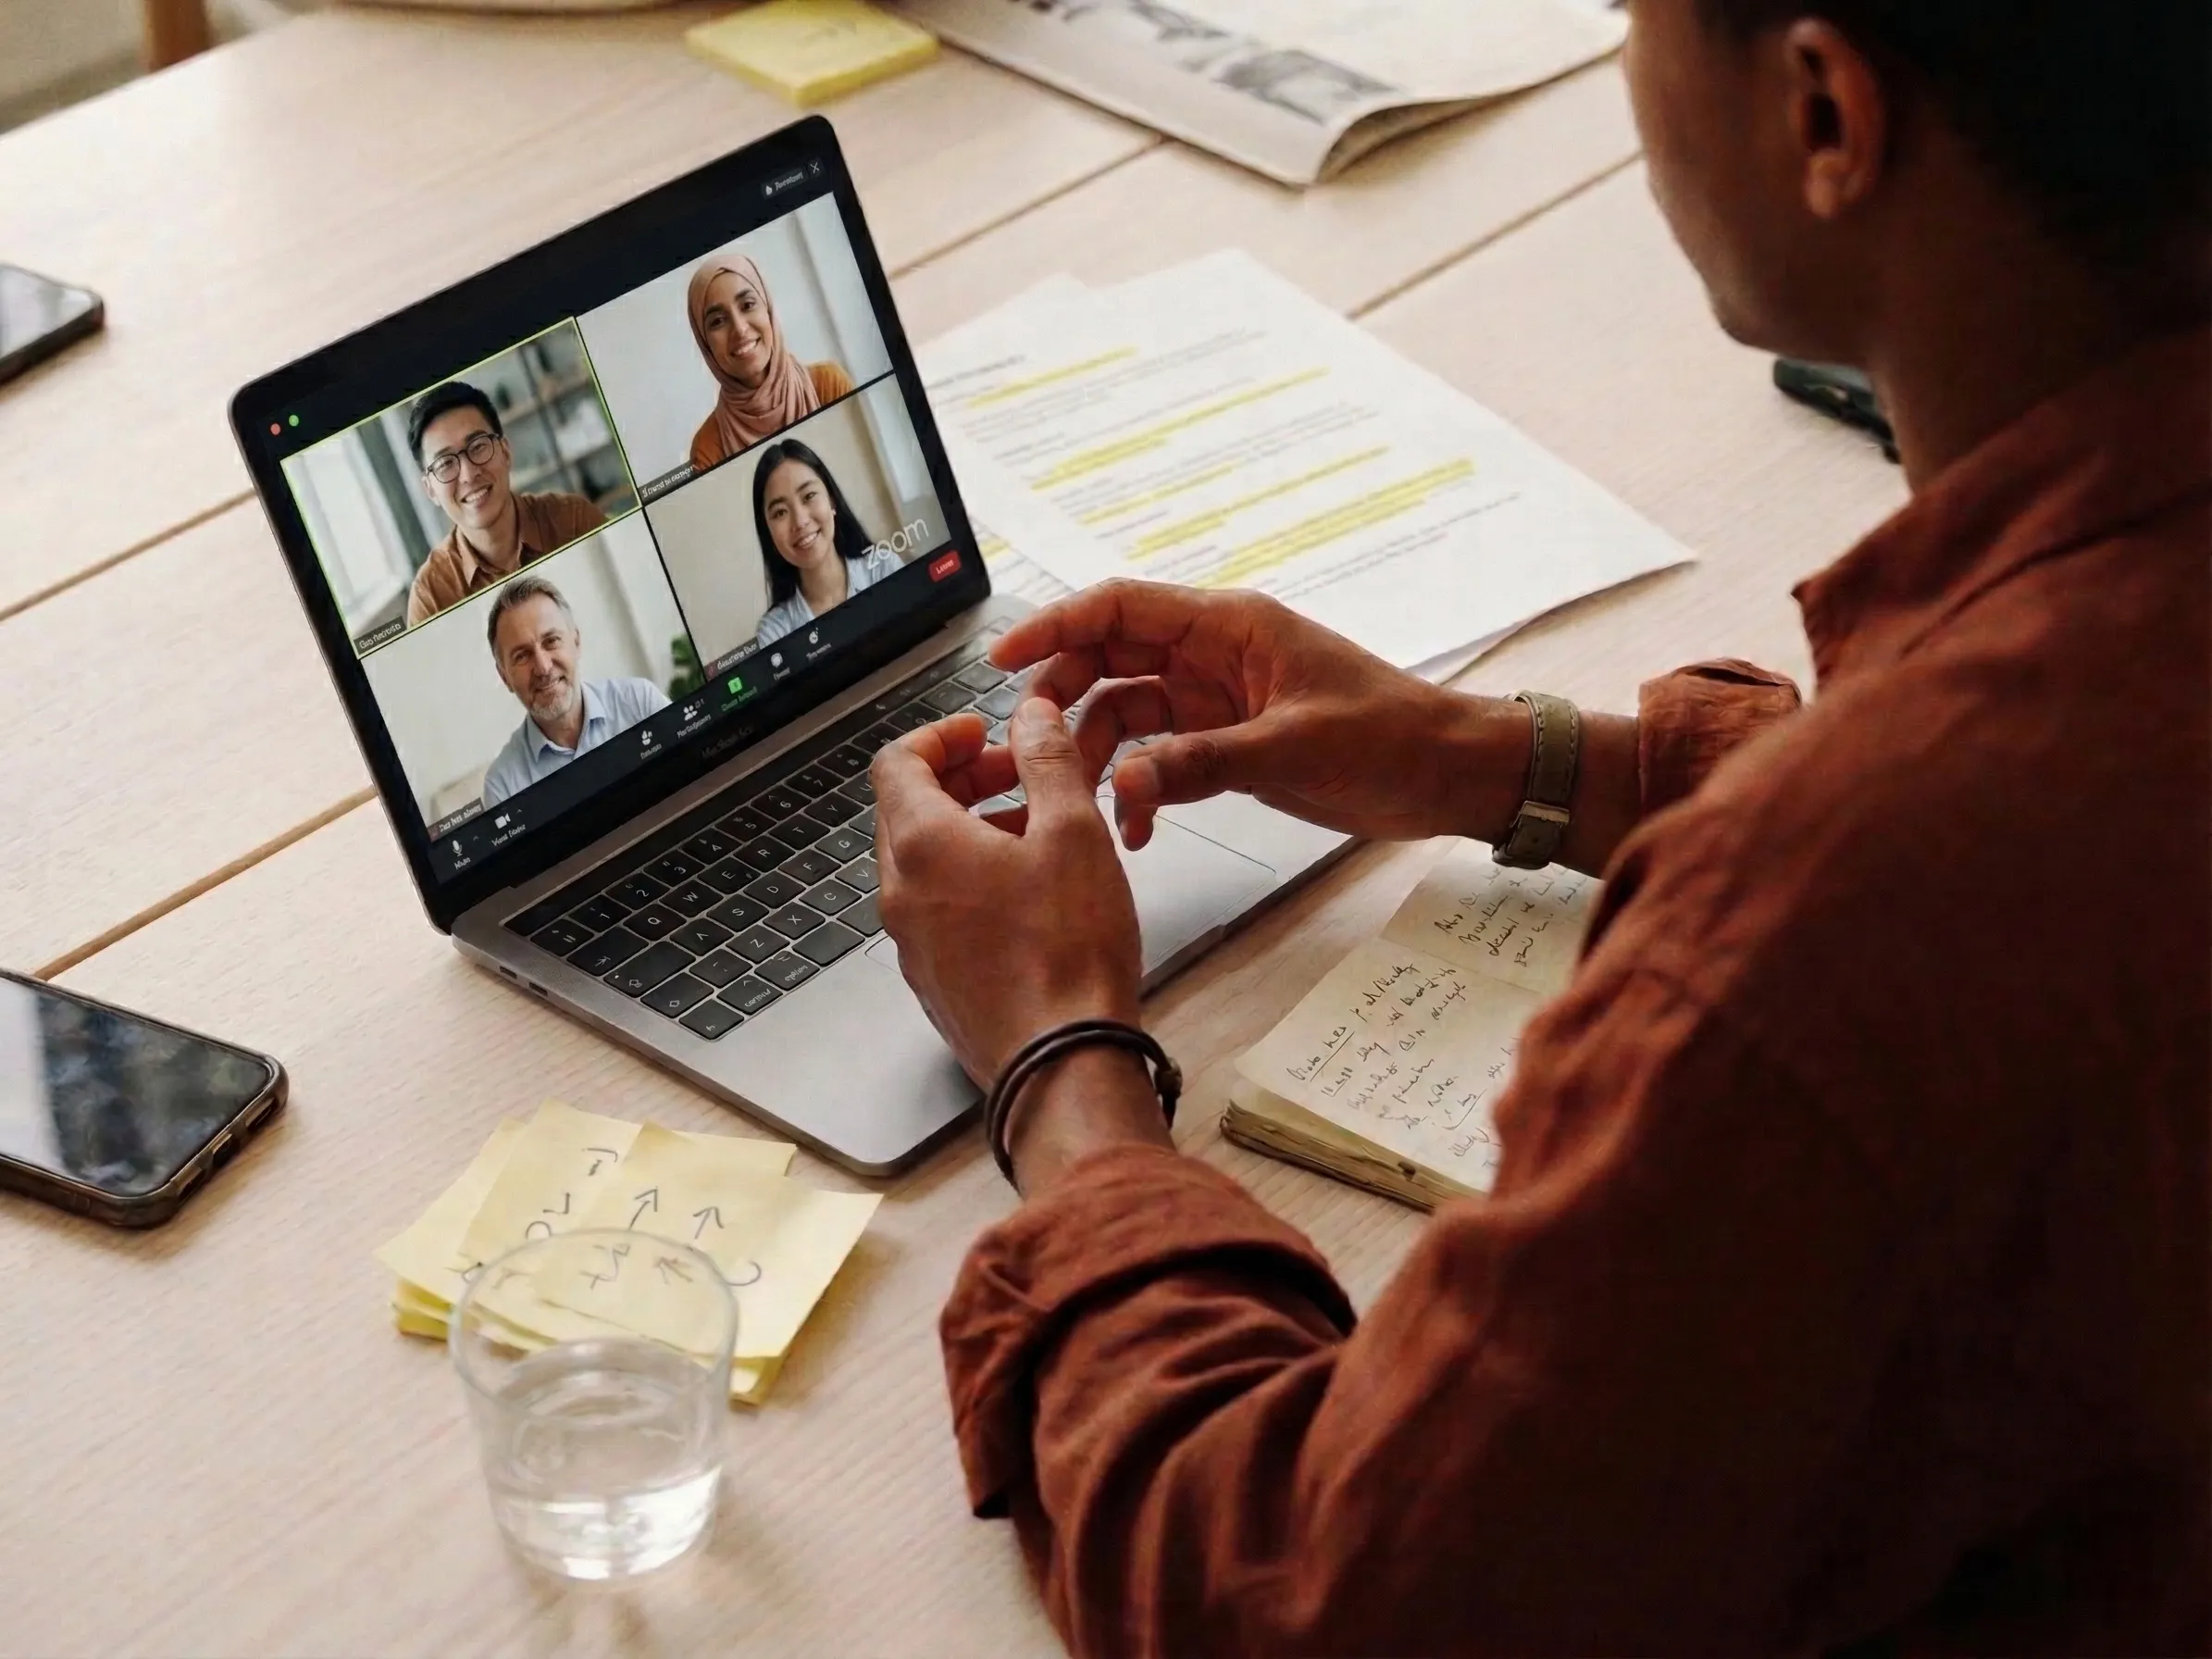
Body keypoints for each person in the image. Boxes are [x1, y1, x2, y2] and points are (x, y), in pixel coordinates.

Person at [870, 0, 2210, 1652]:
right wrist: (1516, 758)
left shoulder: (1819, 949)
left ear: (1826, 117)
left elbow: (1311, 1596)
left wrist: (1059, 1060)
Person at [403, 381, 607, 627]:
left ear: (506, 452)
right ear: (430, 490)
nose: (468, 474)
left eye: (478, 447)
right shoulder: (431, 597)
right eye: (445, 463)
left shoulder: (574, 519)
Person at [478, 575, 667, 807]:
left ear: (576, 642)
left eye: (551, 641)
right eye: (522, 655)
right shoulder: (503, 787)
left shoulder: (640, 703)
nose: (543, 667)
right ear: (505, 677)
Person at [685, 253, 854, 473]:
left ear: (768, 310)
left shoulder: (828, 385)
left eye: (747, 305)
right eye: (717, 321)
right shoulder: (708, 447)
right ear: (705, 342)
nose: (740, 329)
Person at [749, 439, 901, 648]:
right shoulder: (774, 632)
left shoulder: (884, 567)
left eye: (809, 496)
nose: (800, 522)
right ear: (769, 533)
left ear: (832, 501)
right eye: (780, 512)